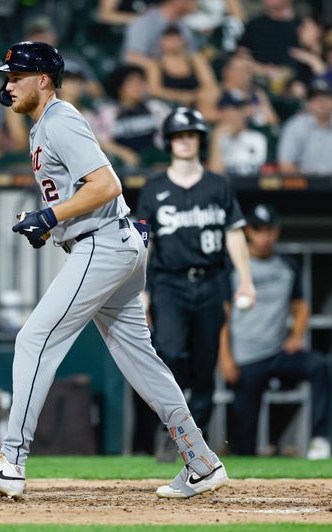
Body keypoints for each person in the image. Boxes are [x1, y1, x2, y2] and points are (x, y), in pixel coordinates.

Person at [0, 42, 229, 500]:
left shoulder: (60, 118)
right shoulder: (45, 122)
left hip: (103, 245)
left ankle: (12, 462)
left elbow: (107, 184)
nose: (7, 85)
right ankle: (201, 461)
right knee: (141, 361)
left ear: (42, 79)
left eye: (15, 76)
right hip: (111, 242)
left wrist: (52, 217)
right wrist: (51, 224)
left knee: (34, 338)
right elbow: (82, 192)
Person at [136, 107, 254, 446]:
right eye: (178, 136)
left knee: (205, 365)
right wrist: (139, 288)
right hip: (169, 282)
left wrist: (246, 280)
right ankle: (171, 424)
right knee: (170, 352)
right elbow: (143, 242)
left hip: (212, 281)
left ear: (199, 140)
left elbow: (234, 234)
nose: (184, 142)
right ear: (169, 142)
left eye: (190, 135)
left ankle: (192, 438)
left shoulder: (218, 185)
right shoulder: (153, 188)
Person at [217, 204, 331, 459]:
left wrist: (296, 336)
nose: (264, 237)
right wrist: (225, 356)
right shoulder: (232, 266)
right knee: (244, 443)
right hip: (245, 357)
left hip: (278, 352)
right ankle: (245, 454)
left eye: (269, 230)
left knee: (318, 366)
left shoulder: (286, 266)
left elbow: (301, 307)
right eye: (258, 230)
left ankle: (319, 440)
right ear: (248, 231)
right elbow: (222, 315)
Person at [277, 79, 332, 176]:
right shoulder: (294, 126)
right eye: (315, 98)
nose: (321, 102)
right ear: (308, 103)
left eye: (326, 97)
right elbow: (286, 166)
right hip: (303, 188)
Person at [91, 65, 172, 169]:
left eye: (140, 81)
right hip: (123, 167)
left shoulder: (157, 107)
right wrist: (123, 153)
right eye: (131, 82)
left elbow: (172, 134)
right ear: (119, 88)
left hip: (158, 161)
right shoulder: (107, 112)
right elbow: (99, 142)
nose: (138, 85)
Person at [145, 26, 220, 120]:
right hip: (169, 106)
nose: (173, 42)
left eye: (176, 38)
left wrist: (195, 96)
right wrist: (181, 96)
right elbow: (155, 90)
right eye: (169, 39)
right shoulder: (155, 64)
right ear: (161, 42)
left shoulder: (195, 59)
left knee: (213, 92)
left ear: (183, 41)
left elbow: (209, 83)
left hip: (197, 102)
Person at [122, 0, 200, 68]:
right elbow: (131, 57)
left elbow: (192, 55)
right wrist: (160, 67)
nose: (196, 4)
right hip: (146, 78)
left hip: (178, 77)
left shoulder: (184, 26)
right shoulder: (143, 22)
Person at [208, 92, 268, 176]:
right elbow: (215, 175)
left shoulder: (256, 138)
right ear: (221, 112)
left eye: (240, 110)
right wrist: (217, 138)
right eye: (230, 109)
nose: (236, 115)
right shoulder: (217, 136)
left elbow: (254, 172)